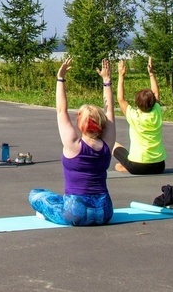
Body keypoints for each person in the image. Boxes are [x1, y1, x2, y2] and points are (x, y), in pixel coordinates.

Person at [28, 58, 116, 226]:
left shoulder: (73, 144)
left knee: (35, 194)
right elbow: (110, 111)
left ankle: (49, 214)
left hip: (76, 212)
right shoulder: (107, 145)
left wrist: (60, 79)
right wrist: (106, 81)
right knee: (59, 199)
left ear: (81, 124)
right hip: (105, 211)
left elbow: (61, 110)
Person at [113, 57, 166, 174]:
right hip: (159, 165)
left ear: (137, 103)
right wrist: (151, 74)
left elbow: (120, 99)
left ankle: (125, 167)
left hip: (137, 165)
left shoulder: (134, 116)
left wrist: (121, 75)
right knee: (121, 165)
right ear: (153, 102)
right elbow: (156, 93)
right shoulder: (156, 111)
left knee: (113, 145)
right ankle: (126, 166)